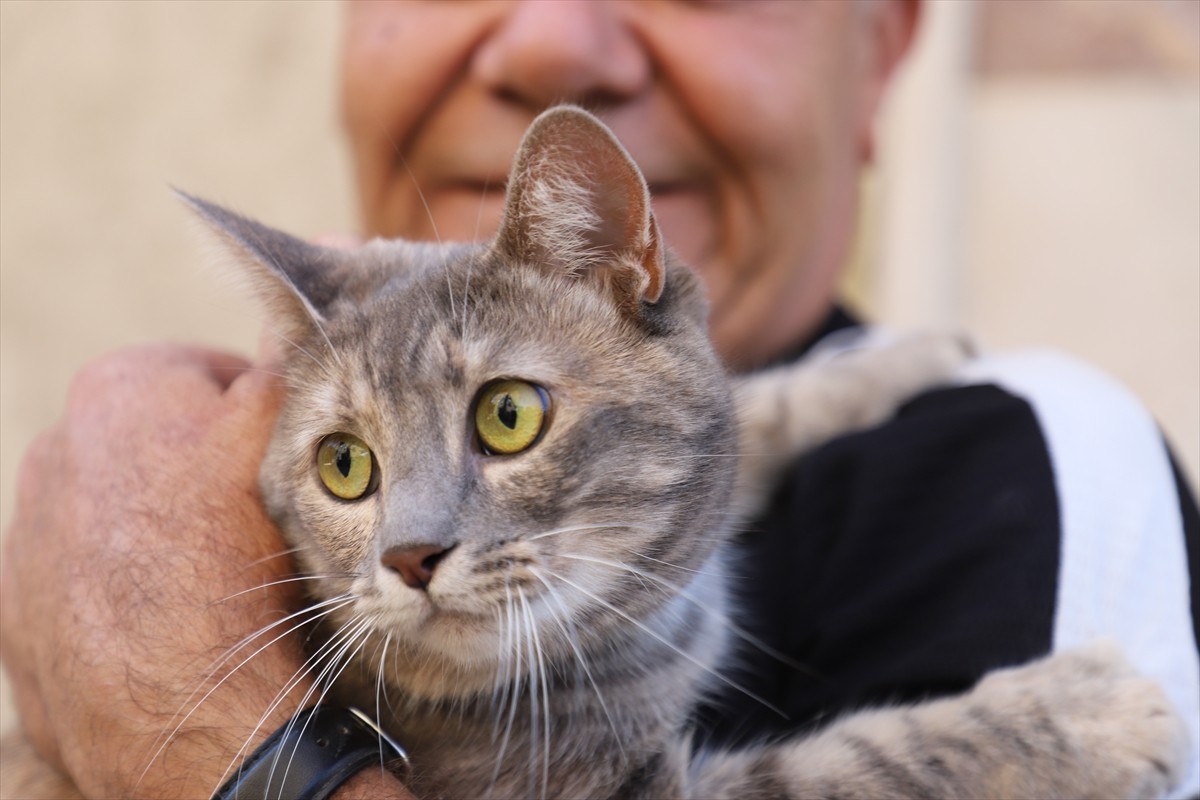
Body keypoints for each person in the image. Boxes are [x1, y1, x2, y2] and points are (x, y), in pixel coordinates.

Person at [2, 2, 1197, 798]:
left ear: (882, 48)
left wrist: (215, 739)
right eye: (348, 465)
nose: (413, 546)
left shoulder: (1024, 460)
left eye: (504, 418)